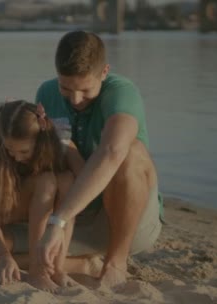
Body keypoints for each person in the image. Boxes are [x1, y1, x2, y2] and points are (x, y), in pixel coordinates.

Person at [34, 30, 162, 288]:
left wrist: (58, 220)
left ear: (104, 72)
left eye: (85, 90)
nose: (76, 99)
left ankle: (115, 261)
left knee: (130, 151)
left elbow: (113, 152)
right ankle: (83, 264)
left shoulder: (121, 92)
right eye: (66, 88)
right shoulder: (46, 93)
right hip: (74, 220)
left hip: (126, 222)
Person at [0, 100, 82, 291]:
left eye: (24, 151)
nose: (17, 157)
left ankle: (48, 270)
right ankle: (76, 266)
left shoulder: (59, 144)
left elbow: (85, 182)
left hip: (53, 228)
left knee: (62, 179)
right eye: (10, 150)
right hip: (14, 225)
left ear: (40, 140)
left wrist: (59, 223)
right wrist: (4, 257)